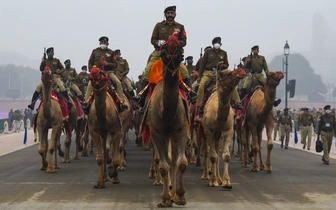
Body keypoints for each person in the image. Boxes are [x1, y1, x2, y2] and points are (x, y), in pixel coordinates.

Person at [137, 5, 197, 105]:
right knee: (148, 69)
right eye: (168, 13)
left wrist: (176, 43)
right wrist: (158, 43)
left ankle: (191, 93)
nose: (170, 15)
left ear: (175, 14)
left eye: (172, 13)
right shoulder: (159, 25)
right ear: (165, 14)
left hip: (174, 53)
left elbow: (184, 41)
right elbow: (153, 40)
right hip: (159, 52)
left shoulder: (180, 27)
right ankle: (141, 96)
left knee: (184, 71)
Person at [195, 37, 242, 119]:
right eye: (216, 42)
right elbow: (202, 65)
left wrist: (222, 65)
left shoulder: (224, 53)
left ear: (220, 44)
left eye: (219, 42)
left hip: (220, 73)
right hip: (208, 73)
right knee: (201, 86)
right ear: (213, 44)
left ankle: (238, 103)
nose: (217, 44)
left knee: (231, 85)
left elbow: (226, 65)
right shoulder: (208, 53)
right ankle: (199, 106)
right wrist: (199, 76)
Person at [84, 36, 128, 112]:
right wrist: (91, 70)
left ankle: (121, 102)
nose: (103, 43)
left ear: (107, 43)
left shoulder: (111, 52)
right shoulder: (95, 51)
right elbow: (90, 62)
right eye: (102, 42)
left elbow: (115, 65)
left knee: (117, 83)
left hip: (108, 72)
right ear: (99, 43)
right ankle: (86, 102)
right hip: (97, 72)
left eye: (105, 42)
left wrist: (107, 64)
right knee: (89, 85)